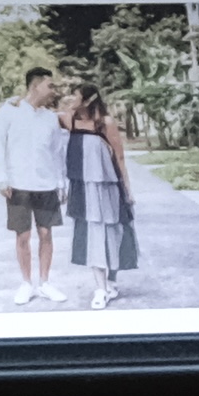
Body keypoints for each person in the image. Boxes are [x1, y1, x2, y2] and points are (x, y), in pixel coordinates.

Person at [0, 68, 70, 301]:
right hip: (18, 184)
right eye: (49, 85)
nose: (53, 90)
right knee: (22, 236)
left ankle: (45, 283)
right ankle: (26, 283)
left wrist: (61, 182)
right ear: (35, 86)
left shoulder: (50, 118)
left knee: (46, 234)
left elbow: (56, 152)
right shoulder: (9, 112)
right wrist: (1, 178)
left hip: (46, 185)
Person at [59, 83, 141, 308]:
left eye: (75, 96)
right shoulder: (69, 119)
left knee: (113, 231)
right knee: (93, 233)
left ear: (87, 100)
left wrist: (127, 189)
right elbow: (43, 116)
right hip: (84, 187)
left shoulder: (105, 123)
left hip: (108, 186)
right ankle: (100, 288)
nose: (71, 99)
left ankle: (111, 281)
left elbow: (120, 157)